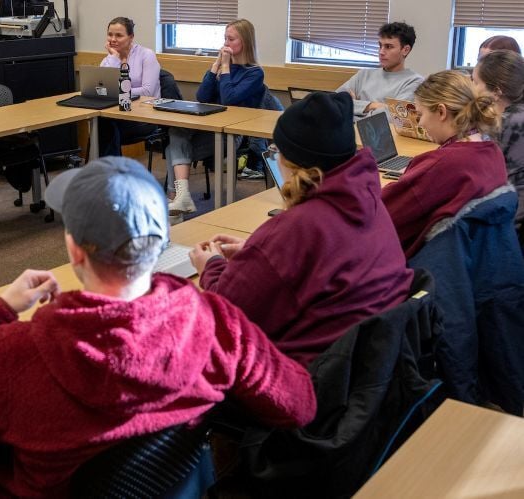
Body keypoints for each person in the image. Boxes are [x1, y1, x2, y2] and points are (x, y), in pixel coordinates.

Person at [0, 156, 317, 497]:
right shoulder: (214, 320)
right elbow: (298, 405)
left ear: (74, 249)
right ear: (162, 241)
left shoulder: (16, 350)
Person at [189, 92, 414, 367]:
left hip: (300, 376)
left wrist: (210, 265)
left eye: (277, 150)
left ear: (291, 161)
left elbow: (227, 310)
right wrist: (255, 256)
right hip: (366, 369)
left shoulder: (298, 227)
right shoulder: (368, 199)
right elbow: (312, 266)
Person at [382, 70, 509, 258]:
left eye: (421, 114)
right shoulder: (492, 151)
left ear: (441, 112)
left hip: (428, 268)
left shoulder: (443, 165)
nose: (421, 124)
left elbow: (382, 216)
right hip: (479, 264)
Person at [166, 18, 266, 216]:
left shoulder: (255, 73)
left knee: (173, 150)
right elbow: (201, 97)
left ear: (244, 42)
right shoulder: (221, 67)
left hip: (230, 134)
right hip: (207, 127)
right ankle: (181, 198)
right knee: (176, 132)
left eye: (231, 39)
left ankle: (177, 199)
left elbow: (229, 99)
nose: (226, 44)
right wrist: (215, 67)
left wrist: (226, 67)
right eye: (224, 38)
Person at [473, 50, 524, 227]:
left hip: (512, 223)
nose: (473, 89)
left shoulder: (508, 123)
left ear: (496, 92)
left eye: (476, 82)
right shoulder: (517, 115)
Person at [98, 17, 160, 156]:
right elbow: (105, 88)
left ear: (131, 37)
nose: (113, 39)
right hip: (116, 114)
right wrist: (114, 58)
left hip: (144, 117)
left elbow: (147, 91)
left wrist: (121, 92)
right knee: (102, 123)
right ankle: (111, 172)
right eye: (110, 34)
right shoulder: (108, 59)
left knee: (105, 128)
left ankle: (110, 171)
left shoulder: (146, 55)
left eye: (119, 35)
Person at [337, 22, 423, 116]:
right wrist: (373, 105)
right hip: (345, 129)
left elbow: (394, 117)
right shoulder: (364, 74)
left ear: (405, 50)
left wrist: (352, 105)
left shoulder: (414, 82)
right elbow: (335, 102)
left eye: (388, 47)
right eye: (380, 46)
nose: (381, 52)